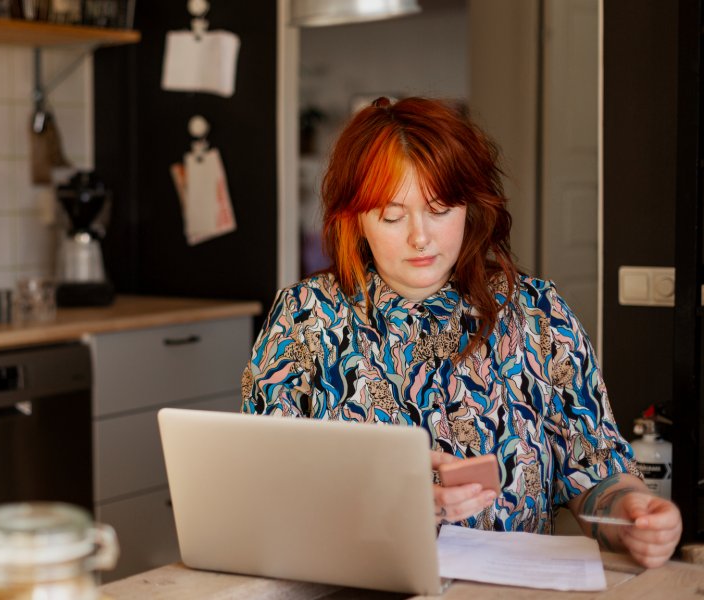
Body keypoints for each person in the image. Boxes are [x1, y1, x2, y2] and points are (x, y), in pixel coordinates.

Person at [241, 96, 681, 568]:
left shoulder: (537, 314)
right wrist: (384, 509)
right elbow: (262, 490)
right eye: (392, 216)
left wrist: (633, 510)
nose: (420, 237)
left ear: (470, 208)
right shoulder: (306, 317)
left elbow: (596, 472)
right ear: (355, 219)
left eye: (440, 209)